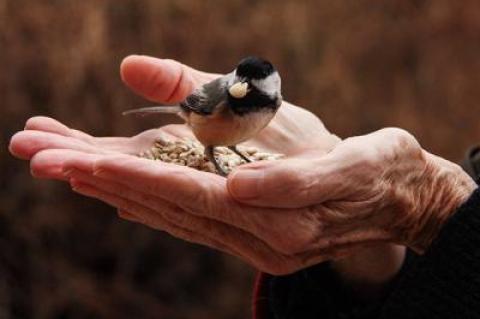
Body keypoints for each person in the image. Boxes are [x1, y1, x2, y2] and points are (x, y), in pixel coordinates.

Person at [8, 55, 480, 319]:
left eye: (248, 84)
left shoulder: (266, 106)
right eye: (236, 81)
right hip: (203, 135)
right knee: (213, 151)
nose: (237, 88)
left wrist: (436, 214)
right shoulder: (219, 98)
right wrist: (371, 243)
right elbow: (195, 109)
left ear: (267, 91)